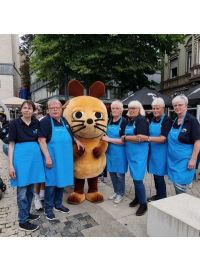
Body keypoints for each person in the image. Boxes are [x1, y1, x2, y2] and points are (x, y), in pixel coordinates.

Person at [38, 99, 84, 220]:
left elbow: (70, 134)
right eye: (52, 107)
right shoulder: (45, 122)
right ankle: (48, 208)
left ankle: (58, 205)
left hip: (65, 159)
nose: (55, 109)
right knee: (51, 184)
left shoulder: (64, 120)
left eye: (57, 107)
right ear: (48, 110)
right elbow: (41, 140)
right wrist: (47, 158)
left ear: (61, 109)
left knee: (61, 182)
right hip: (52, 160)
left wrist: (77, 141)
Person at [8, 100, 45, 232]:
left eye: (30, 108)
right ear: (21, 109)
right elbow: (11, 145)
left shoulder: (36, 123)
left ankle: (27, 213)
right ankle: (22, 221)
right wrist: (10, 165)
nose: (27, 110)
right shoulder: (14, 123)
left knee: (30, 190)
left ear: (33, 110)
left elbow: (40, 140)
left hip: (34, 160)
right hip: (21, 160)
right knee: (22, 192)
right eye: (25, 108)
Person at [137, 98, 173, 201]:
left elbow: (163, 139)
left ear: (163, 108)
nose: (155, 110)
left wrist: (147, 138)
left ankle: (162, 197)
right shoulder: (153, 120)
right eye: (153, 108)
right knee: (155, 175)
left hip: (161, 153)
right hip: (152, 152)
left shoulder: (167, 120)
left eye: (157, 108)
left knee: (159, 176)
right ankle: (159, 195)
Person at [167, 95, 200, 194]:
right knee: (176, 185)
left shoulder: (192, 120)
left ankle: (182, 206)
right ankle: (179, 204)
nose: (177, 107)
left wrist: (193, 159)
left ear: (186, 106)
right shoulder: (174, 120)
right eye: (175, 105)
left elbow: (198, 141)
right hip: (173, 160)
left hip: (185, 161)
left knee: (180, 187)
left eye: (180, 105)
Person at [121, 100, 149, 216]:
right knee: (134, 177)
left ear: (139, 110)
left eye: (134, 108)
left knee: (138, 178)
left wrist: (126, 137)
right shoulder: (130, 121)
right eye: (130, 108)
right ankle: (137, 198)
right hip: (131, 153)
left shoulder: (141, 120)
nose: (132, 110)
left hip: (139, 154)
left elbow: (140, 138)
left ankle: (143, 204)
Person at [102, 100, 127, 203]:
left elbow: (123, 141)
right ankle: (116, 191)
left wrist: (108, 139)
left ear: (121, 110)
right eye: (113, 108)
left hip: (120, 153)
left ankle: (121, 194)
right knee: (112, 173)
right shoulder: (108, 121)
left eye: (117, 108)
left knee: (119, 175)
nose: (115, 110)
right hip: (110, 152)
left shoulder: (124, 122)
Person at [33, 108, 45, 210]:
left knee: (45, 174)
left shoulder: (44, 120)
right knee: (38, 175)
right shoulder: (37, 122)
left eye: (39, 112)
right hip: (37, 151)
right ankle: (36, 197)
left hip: (46, 151)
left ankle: (42, 193)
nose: (38, 114)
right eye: (36, 113)